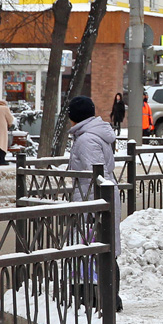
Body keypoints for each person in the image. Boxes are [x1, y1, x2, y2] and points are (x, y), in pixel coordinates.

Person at [65, 95, 123, 312]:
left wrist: (93, 208)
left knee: (93, 249)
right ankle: (104, 297)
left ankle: (97, 298)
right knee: (100, 248)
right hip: (97, 198)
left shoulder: (87, 140)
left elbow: (94, 175)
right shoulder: (92, 135)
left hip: (93, 200)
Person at [0, 99, 15, 166]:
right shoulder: (5, 108)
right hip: (2, 129)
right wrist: (10, 124)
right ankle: (2, 160)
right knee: (2, 144)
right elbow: (10, 119)